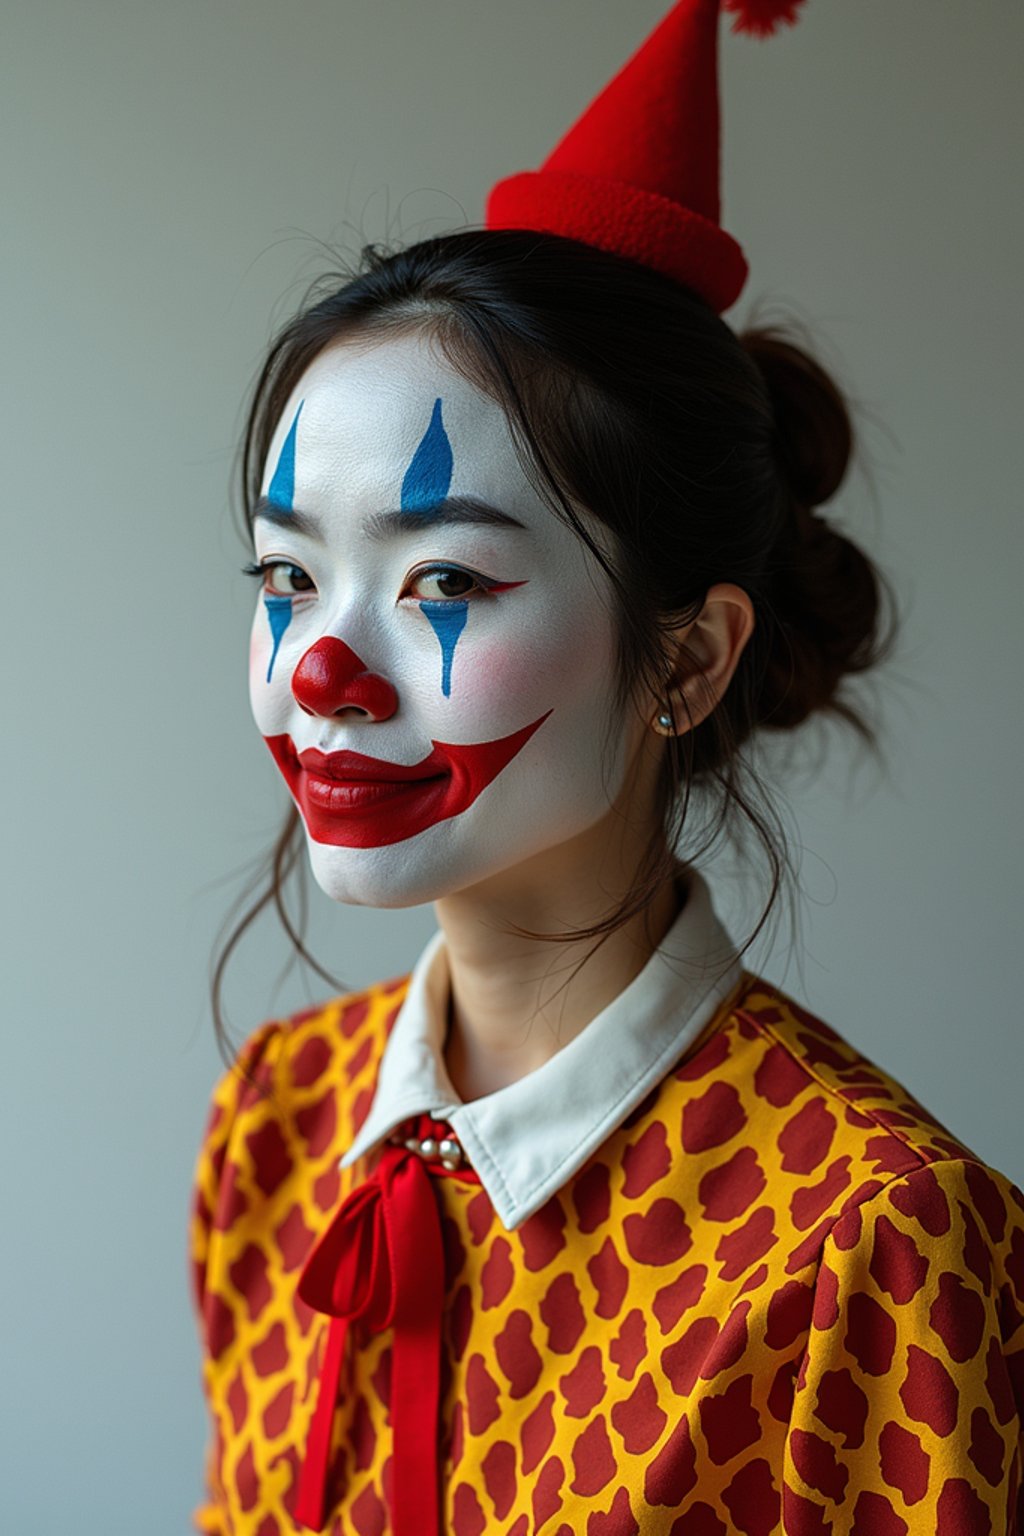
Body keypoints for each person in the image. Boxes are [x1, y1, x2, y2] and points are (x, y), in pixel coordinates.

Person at [189, 2, 1024, 1532]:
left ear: (690, 659)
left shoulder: (879, 1238)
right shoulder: (275, 1126)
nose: (324, 670)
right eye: (287, 579)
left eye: (445, 582)